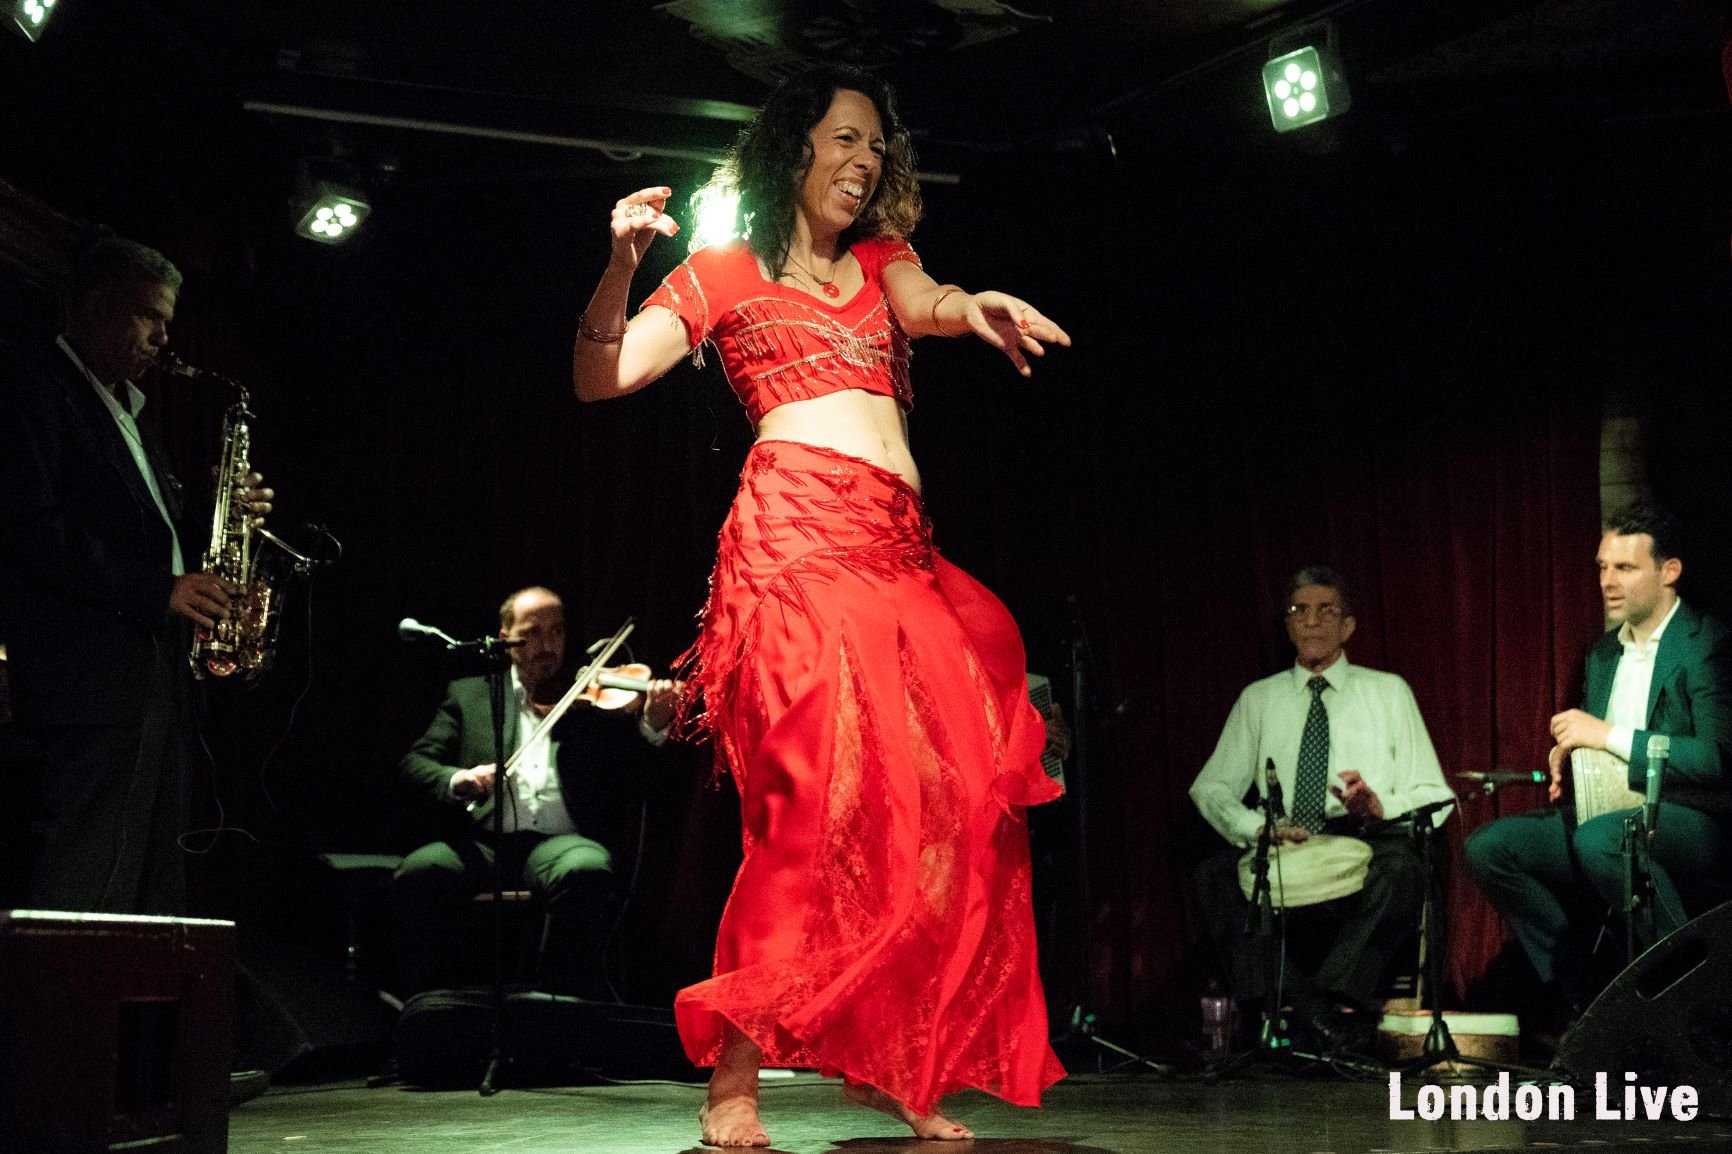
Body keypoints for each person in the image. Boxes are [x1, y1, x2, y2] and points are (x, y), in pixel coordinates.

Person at [572, 64, 1069, 1147]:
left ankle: (897, 1056)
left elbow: (929, 304)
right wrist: (619, 266)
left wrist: (973, 307)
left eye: (877, 145)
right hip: (794, 544)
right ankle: (734, 1076)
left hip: (898, 553)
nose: (865, 160)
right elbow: (603, 376)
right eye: (846, 137)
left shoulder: (883, 262)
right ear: (794, 145)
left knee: (941, 800)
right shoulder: (721, 271)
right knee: (808, 807)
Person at [0, 236, 272, 915]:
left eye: (167, 321)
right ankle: (62, 989)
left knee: (150, 879)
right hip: (92, 680)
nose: (162, 338)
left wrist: (221, 512)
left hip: (154, 670)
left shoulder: (132, 411)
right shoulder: (35, 390)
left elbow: (150, 531)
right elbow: (31, 530)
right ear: (95, 306)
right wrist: (161, 590)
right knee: (89, 873)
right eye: (148, 316)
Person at [1464, 503, 1732, 1030]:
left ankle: (1697, 1002)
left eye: (1625, 567)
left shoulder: (1707, 645)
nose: (1608, 581)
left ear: (1669, 571)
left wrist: (1604, 735)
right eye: (1603, 567)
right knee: (1490, 848)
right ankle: (1586, 992)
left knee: (1604, 839)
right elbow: (1603, 748)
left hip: (1696, 818)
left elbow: (1717, 758)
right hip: (1610, 813)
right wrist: (1575, 755)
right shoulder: (1604, 654)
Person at [1189, 566, 1455, 1053]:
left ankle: (1326, 1002)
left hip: (1366, 837)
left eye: (1325, 611)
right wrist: (1259, 828)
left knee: (1404, 871)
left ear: (1348, 625)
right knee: (1213, 877)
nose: (1311, 622)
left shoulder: (1388, 691)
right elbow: (1210, 788)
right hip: (1286, 843)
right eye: (1299, 610)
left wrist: (1379, 806)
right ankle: (1314, 1015)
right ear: (1287, 625)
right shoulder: (1259, 699)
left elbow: (1435, 795)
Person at [392, 586, 678, 997]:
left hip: (559, 843)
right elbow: (416, 763)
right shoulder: (470, 694)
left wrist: (653, 725)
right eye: (533, 633)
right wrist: (460, 779)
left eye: (557, 632)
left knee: (586, 868)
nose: (548, 645)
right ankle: (429, 1002)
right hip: (485, 843)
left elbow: (639, 778)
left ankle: (557, 1005)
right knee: (421, 870)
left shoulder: (590, 701)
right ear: (504, 637)